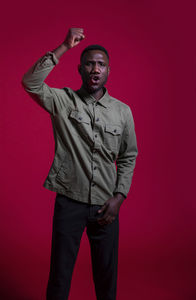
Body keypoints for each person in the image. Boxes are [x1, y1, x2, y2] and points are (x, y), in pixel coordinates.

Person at [22, 27, 138, 300]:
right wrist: (64, 46)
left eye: (101, 64)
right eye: (89, 63)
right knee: (60, 277)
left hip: (106, 205)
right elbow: (31, 82)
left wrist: (119, 197)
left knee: (106, 278)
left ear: (108, 70)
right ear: (80, 69)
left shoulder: (123, 111)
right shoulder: (63, 101)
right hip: (69, 203)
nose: (95, 69)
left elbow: (129, 155)